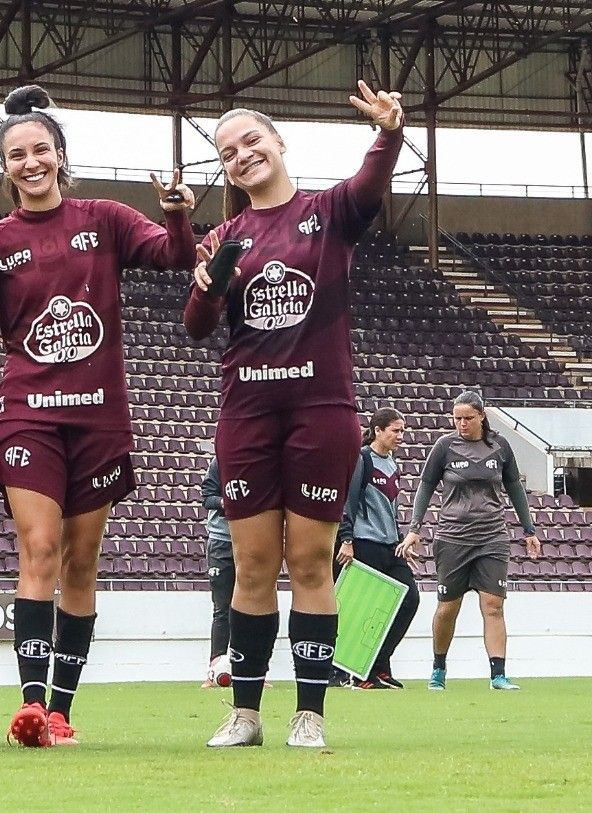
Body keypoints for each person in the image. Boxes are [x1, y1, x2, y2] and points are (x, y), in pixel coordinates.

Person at [0, 84, 195, 746]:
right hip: (28, 418)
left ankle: (63, 709)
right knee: (39, 548)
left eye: (41, 150)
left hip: (100, 420)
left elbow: (175, 256)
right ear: (5, 166)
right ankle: (32, 706)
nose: (30, 162)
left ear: (61, 156)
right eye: (17, 154)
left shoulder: (106, 218)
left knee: (81, 562)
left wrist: (178, 216)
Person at [183, 81, 404, 748]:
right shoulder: (225, 236)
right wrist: (204, 286)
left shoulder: (328, 210)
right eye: (228, 152)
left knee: (309, 564)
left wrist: (389, 133)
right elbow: (196, 328)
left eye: (251, 140)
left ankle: (310, 713)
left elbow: (371, 182)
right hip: (247, 414)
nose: (241, 154)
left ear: (279, 143)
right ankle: (246, 713)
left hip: (321, 411)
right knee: (251, 568)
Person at [402, 391, 541, 691]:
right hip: (453, 536)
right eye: (457, 419)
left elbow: (515, 487)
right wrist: (415, 528)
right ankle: (438, 667)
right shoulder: (444, 447)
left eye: (467, 418)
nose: (461, 424)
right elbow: (425, 487)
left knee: (493, 605)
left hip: (492, 536)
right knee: (448, 607)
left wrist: (528, 530)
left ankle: (498, 675)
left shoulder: (500, 446)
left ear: (481, 416)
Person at [333, 407, 419, 689]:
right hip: (365, 543)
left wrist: (400, 540)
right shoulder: (362, 460)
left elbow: (391, 509)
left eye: (402, 430)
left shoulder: (392, 464)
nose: (400, 436)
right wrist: (347, 540)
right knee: (366, 608)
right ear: (378, 430)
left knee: (410, 599)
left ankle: (380, 663)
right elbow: (349, 501)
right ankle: (360, 673)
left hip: (389, 545)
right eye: (395, 430)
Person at [200, 454, 235, 687]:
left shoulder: (260, 460)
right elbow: (207, 498)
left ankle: (252, 669)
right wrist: (226, 503)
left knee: (252, 608)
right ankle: (215, 669)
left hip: (254, 539)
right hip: (222, 540)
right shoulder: (221, 462)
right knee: (222, 608)